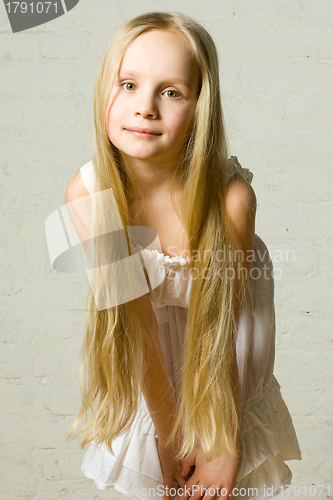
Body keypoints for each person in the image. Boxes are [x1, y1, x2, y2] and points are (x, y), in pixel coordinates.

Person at [64, 11, 302, 500]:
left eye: (170, 91)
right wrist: (169, 431)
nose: (145, 107)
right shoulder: (88, 196)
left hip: (223, 365)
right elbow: (136, 324)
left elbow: (225, 327)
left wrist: (223, 436)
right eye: (128, 84)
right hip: (151, 367)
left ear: (200, 107)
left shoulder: (231, 199)